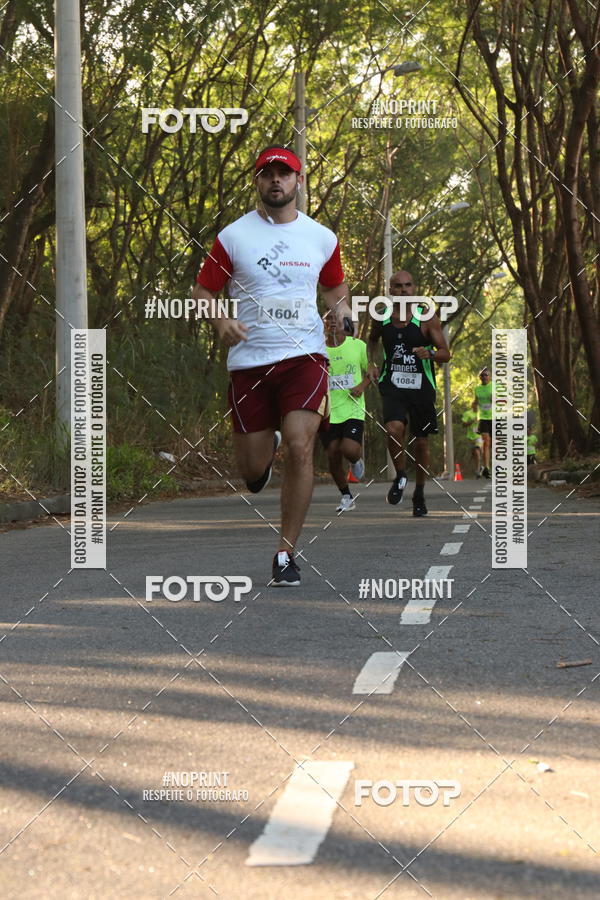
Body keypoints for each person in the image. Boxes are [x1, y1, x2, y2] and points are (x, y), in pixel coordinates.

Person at [192, 145, 353, 587]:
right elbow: (204, 292)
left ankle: (286, 551)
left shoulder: (321, 237)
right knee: (251, 472)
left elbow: (335, 287)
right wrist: (221, 319)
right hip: (249, 363)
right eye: (267, 175)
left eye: (285, 173)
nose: (276, 181)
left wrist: (342, 315)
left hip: (305, 356)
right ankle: (269, 446)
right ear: (258, 183)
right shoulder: (233, 236)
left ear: (299, 181)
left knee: (301, 447)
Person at [367, 270, 451, 516]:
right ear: (390, 290)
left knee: (421, 443)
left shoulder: (427, 318)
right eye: (398, 286)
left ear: (414, 288)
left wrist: (432, 354)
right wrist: (371, 364)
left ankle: (420, 492)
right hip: (392, 384)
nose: (404, 290)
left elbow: (446, 353)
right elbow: (372, 342)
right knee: (393, 429)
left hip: (421, 387)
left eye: (408, 285)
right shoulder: (381, 316)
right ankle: (401, 475)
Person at [320, 311, 370, 512]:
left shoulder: (357, 346)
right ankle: (347, 496)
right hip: (329, 410)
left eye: (336, 319)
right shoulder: (318, 348)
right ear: (323, 324)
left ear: (344, 323)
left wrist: (362, 386)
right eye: (328, 319)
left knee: (348, 449)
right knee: (332, 454)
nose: (332, 322)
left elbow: (372, 371)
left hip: (352, 407)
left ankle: (356, 460)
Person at [473, 366, 493, 478]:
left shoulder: (495, 386)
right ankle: (486, 468)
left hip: (495, 417)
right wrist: (474, 405)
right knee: (486, 442)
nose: (484, 377)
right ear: (479, 377)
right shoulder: (477, 389)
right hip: (483, 418)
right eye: (482, 375)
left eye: (486, 375)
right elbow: (476, 400)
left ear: (490, 377)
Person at [461, 407, 483, 476]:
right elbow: (463, 425)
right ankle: (478, 467)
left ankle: (478, 469)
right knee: (475, 454)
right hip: (471, 437)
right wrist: (472, 421)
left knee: (478, 453)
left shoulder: (482, 413)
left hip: (479, 436)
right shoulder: (468, 413)